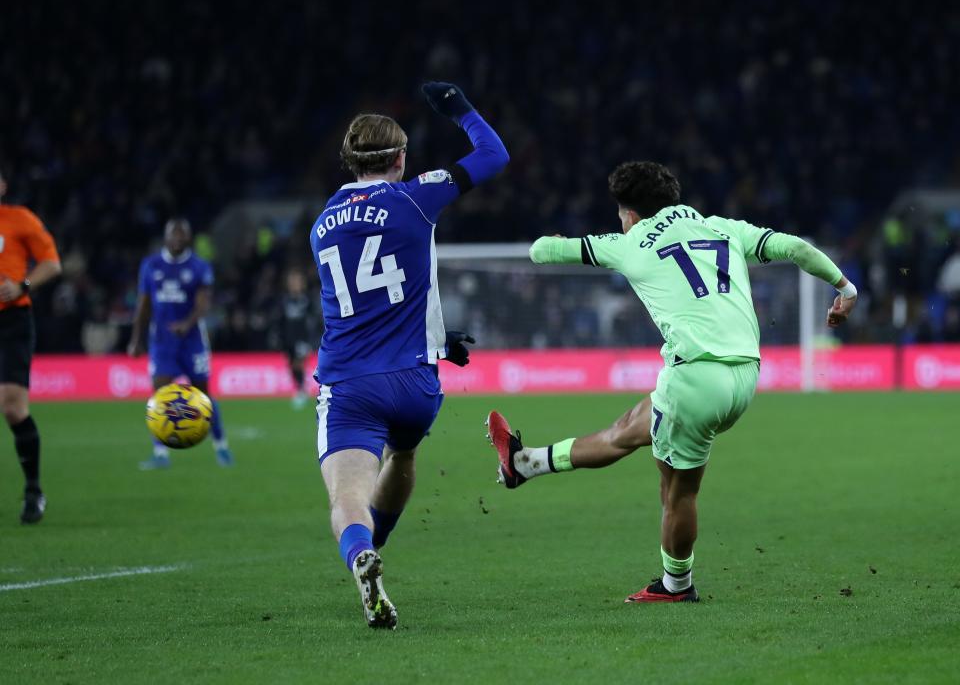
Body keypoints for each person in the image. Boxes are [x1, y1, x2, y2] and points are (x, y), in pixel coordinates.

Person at [485, 161, 857, 603]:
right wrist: (846, 289)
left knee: (677, 492)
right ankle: (525, 463)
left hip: (695, 378)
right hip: (744, 374)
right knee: (628, 428)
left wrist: (556, 241)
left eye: (620, 213)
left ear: (630, 213)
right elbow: (795, 247)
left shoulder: (630, 243)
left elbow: (539, 251)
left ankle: (676, 585)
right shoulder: (721, 227)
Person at [312, 82, 507, 628]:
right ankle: (376, 548)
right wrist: (459, 108)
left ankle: (360, 554)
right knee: (402, 457)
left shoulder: (321, 224)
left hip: (351, 383)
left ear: (349, 161)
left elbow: (364, 305)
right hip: (416, 385)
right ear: (400, 158)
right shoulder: (418, 196)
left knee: (347, 496)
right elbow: (493, 155)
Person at [128, 219, 234, 469]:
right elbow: (143, 305)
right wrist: (136, 339)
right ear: (165, 237)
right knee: (160, 395)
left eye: (182, 234)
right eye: (173, 234)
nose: (178, 238)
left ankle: (221, 446)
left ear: (189, 238)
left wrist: (186, 324)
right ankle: (160, 453)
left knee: (203, 394)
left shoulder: (199, 266)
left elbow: (203, 303)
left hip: (192, 340)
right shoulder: (151, 265)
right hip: (162, 341)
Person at [0, 171, 62, 523]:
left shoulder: (19, 219)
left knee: (12, 408)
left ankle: (33, 490)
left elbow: (52, 264)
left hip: (12, 321)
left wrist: (22, 285)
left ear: (3, 186)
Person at [276, 268, 317, 409]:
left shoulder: (306, 300)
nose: (294, 284)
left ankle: (302, 390)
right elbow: (281, 320)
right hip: (289, 338)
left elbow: (313, 319)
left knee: (299, 363)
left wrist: (310, 339)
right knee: (292, 364)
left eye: (297, 282)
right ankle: (300, 388)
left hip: (302, 337)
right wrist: (279, 336)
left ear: (302, 283)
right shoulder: (285, 300)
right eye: (292, 282)